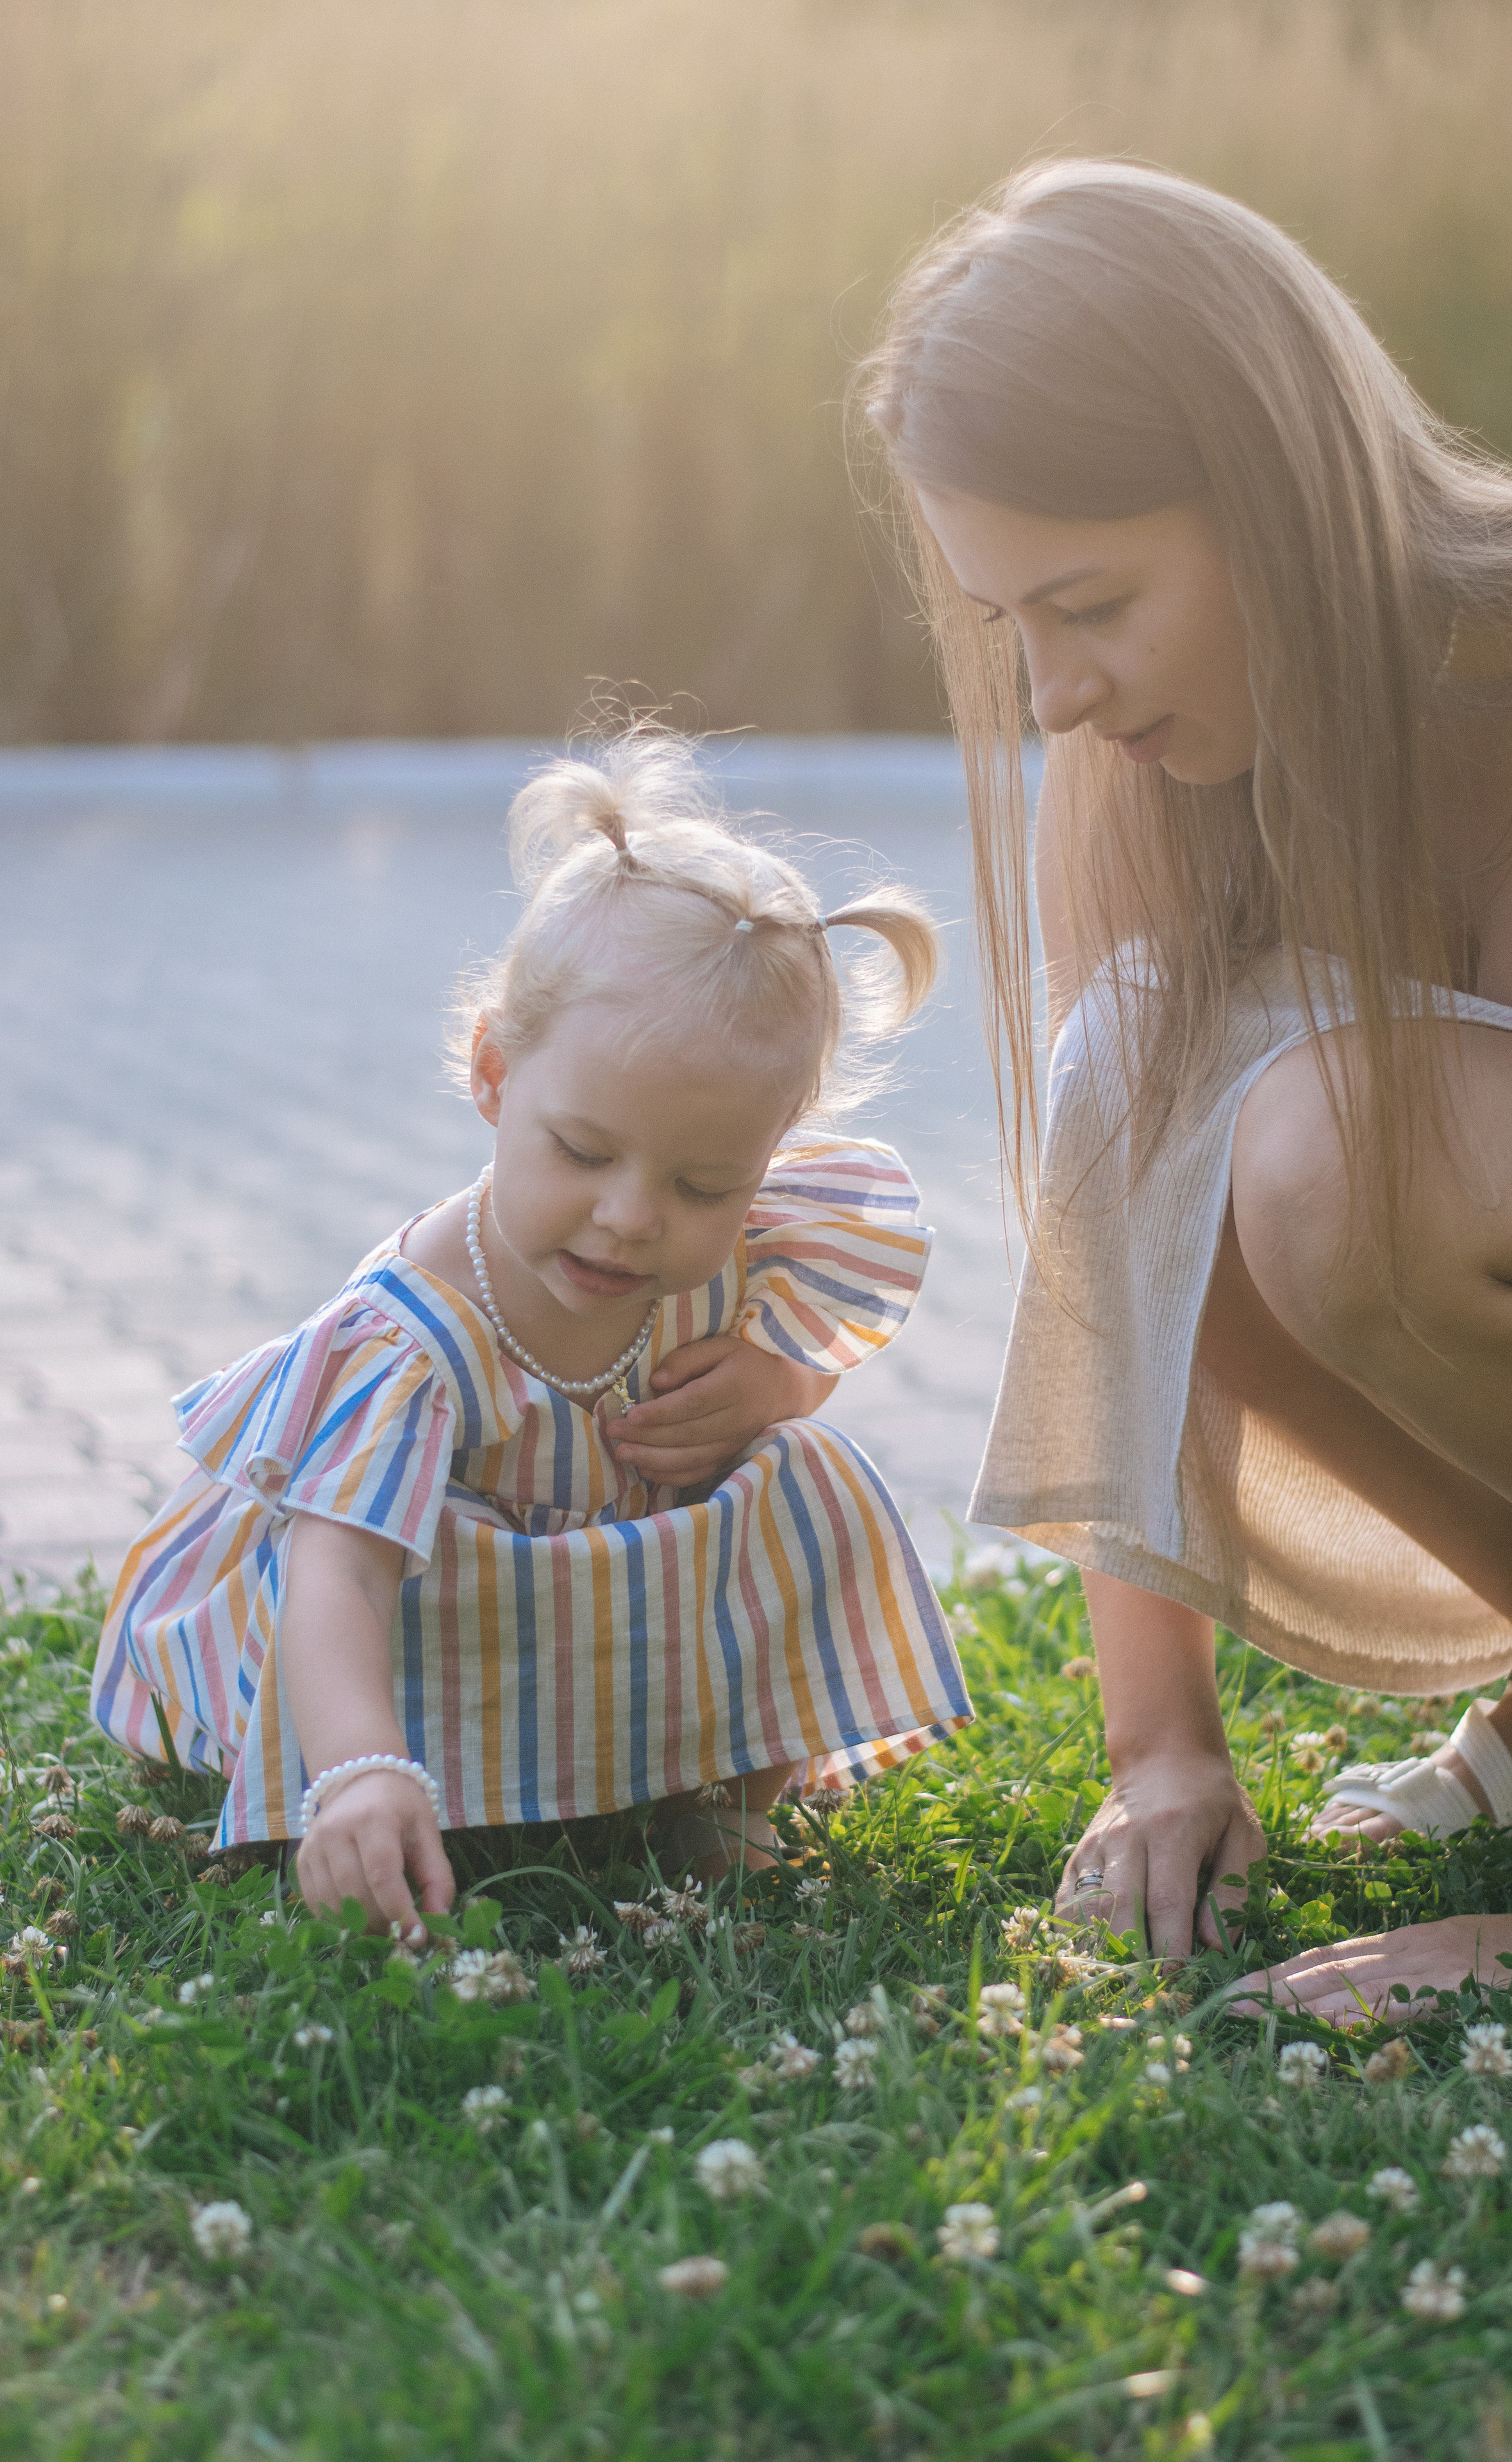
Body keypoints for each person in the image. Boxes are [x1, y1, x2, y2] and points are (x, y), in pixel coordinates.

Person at [860, 159, 1512, 2016]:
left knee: (1333, 1154)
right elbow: (1118, 1244)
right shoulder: (1144, 774)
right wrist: (1165, 1757)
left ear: (1279, 498)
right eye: (1006, 628)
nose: (1051, 695)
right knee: (1144, 1079)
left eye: (1094, 600)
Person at [90, 731, 972, 1938]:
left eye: (705, 1186)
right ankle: (409, 1788)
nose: (631, 1218)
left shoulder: (750, 1244)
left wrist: (775, 1389)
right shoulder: (410, 1337)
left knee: (808, 1480)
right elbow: (335, 1570)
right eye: (585, 1151)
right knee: (409, 1571)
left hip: (595, 1594)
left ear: (770, 1152)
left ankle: (725, 1798)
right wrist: (352, 1764)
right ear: (496, 1076)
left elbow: (800, 1378)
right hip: (387, 1601)